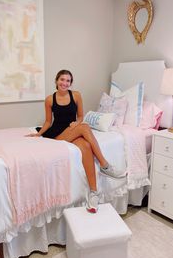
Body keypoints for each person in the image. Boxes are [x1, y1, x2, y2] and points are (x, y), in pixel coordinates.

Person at [26, 69, 126, 213]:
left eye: (68, 81)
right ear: (56, 81)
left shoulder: (76, 95)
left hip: (72, 131)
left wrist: (77, 123)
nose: (64, 83)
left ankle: (93, 194)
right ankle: (105, 164)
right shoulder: (49, 99)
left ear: (70, 83)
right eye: (62, 80)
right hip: (58, 133)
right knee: (85, 128)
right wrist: (39, 134)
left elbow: (80, 116)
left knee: (85, 145)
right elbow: (48, 121)